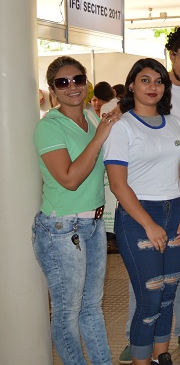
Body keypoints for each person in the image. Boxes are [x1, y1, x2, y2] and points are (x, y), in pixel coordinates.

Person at [118, 26, 180, 363]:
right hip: (142, 206)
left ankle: (176, 336)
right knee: (145, 284)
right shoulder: (134, 108)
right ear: (172, 54)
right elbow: (118, 175)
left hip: (177, 204)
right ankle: (136, 338)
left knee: (176, 279)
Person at [104, 58, 180, 365]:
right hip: (138, 217)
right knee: (150, 297)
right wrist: (149, 224)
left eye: (158, 81)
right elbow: (118, 185)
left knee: (169, 291)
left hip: (175, 215)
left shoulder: (175, 123)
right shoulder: (122, 127)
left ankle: (161, 355)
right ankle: (141, 360)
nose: (152, 87)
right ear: (131, 85)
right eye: (145, 80)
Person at [32, 56, 119, 365]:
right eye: (62, 82)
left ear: (87, 83)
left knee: (91, 308)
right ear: (53, 91)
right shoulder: (49, 127)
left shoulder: (92, 118)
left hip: (93, 225)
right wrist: (99, 138)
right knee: (68, 312)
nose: (72, 87)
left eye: (78, 80)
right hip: (62, 229)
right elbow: (69, 179)